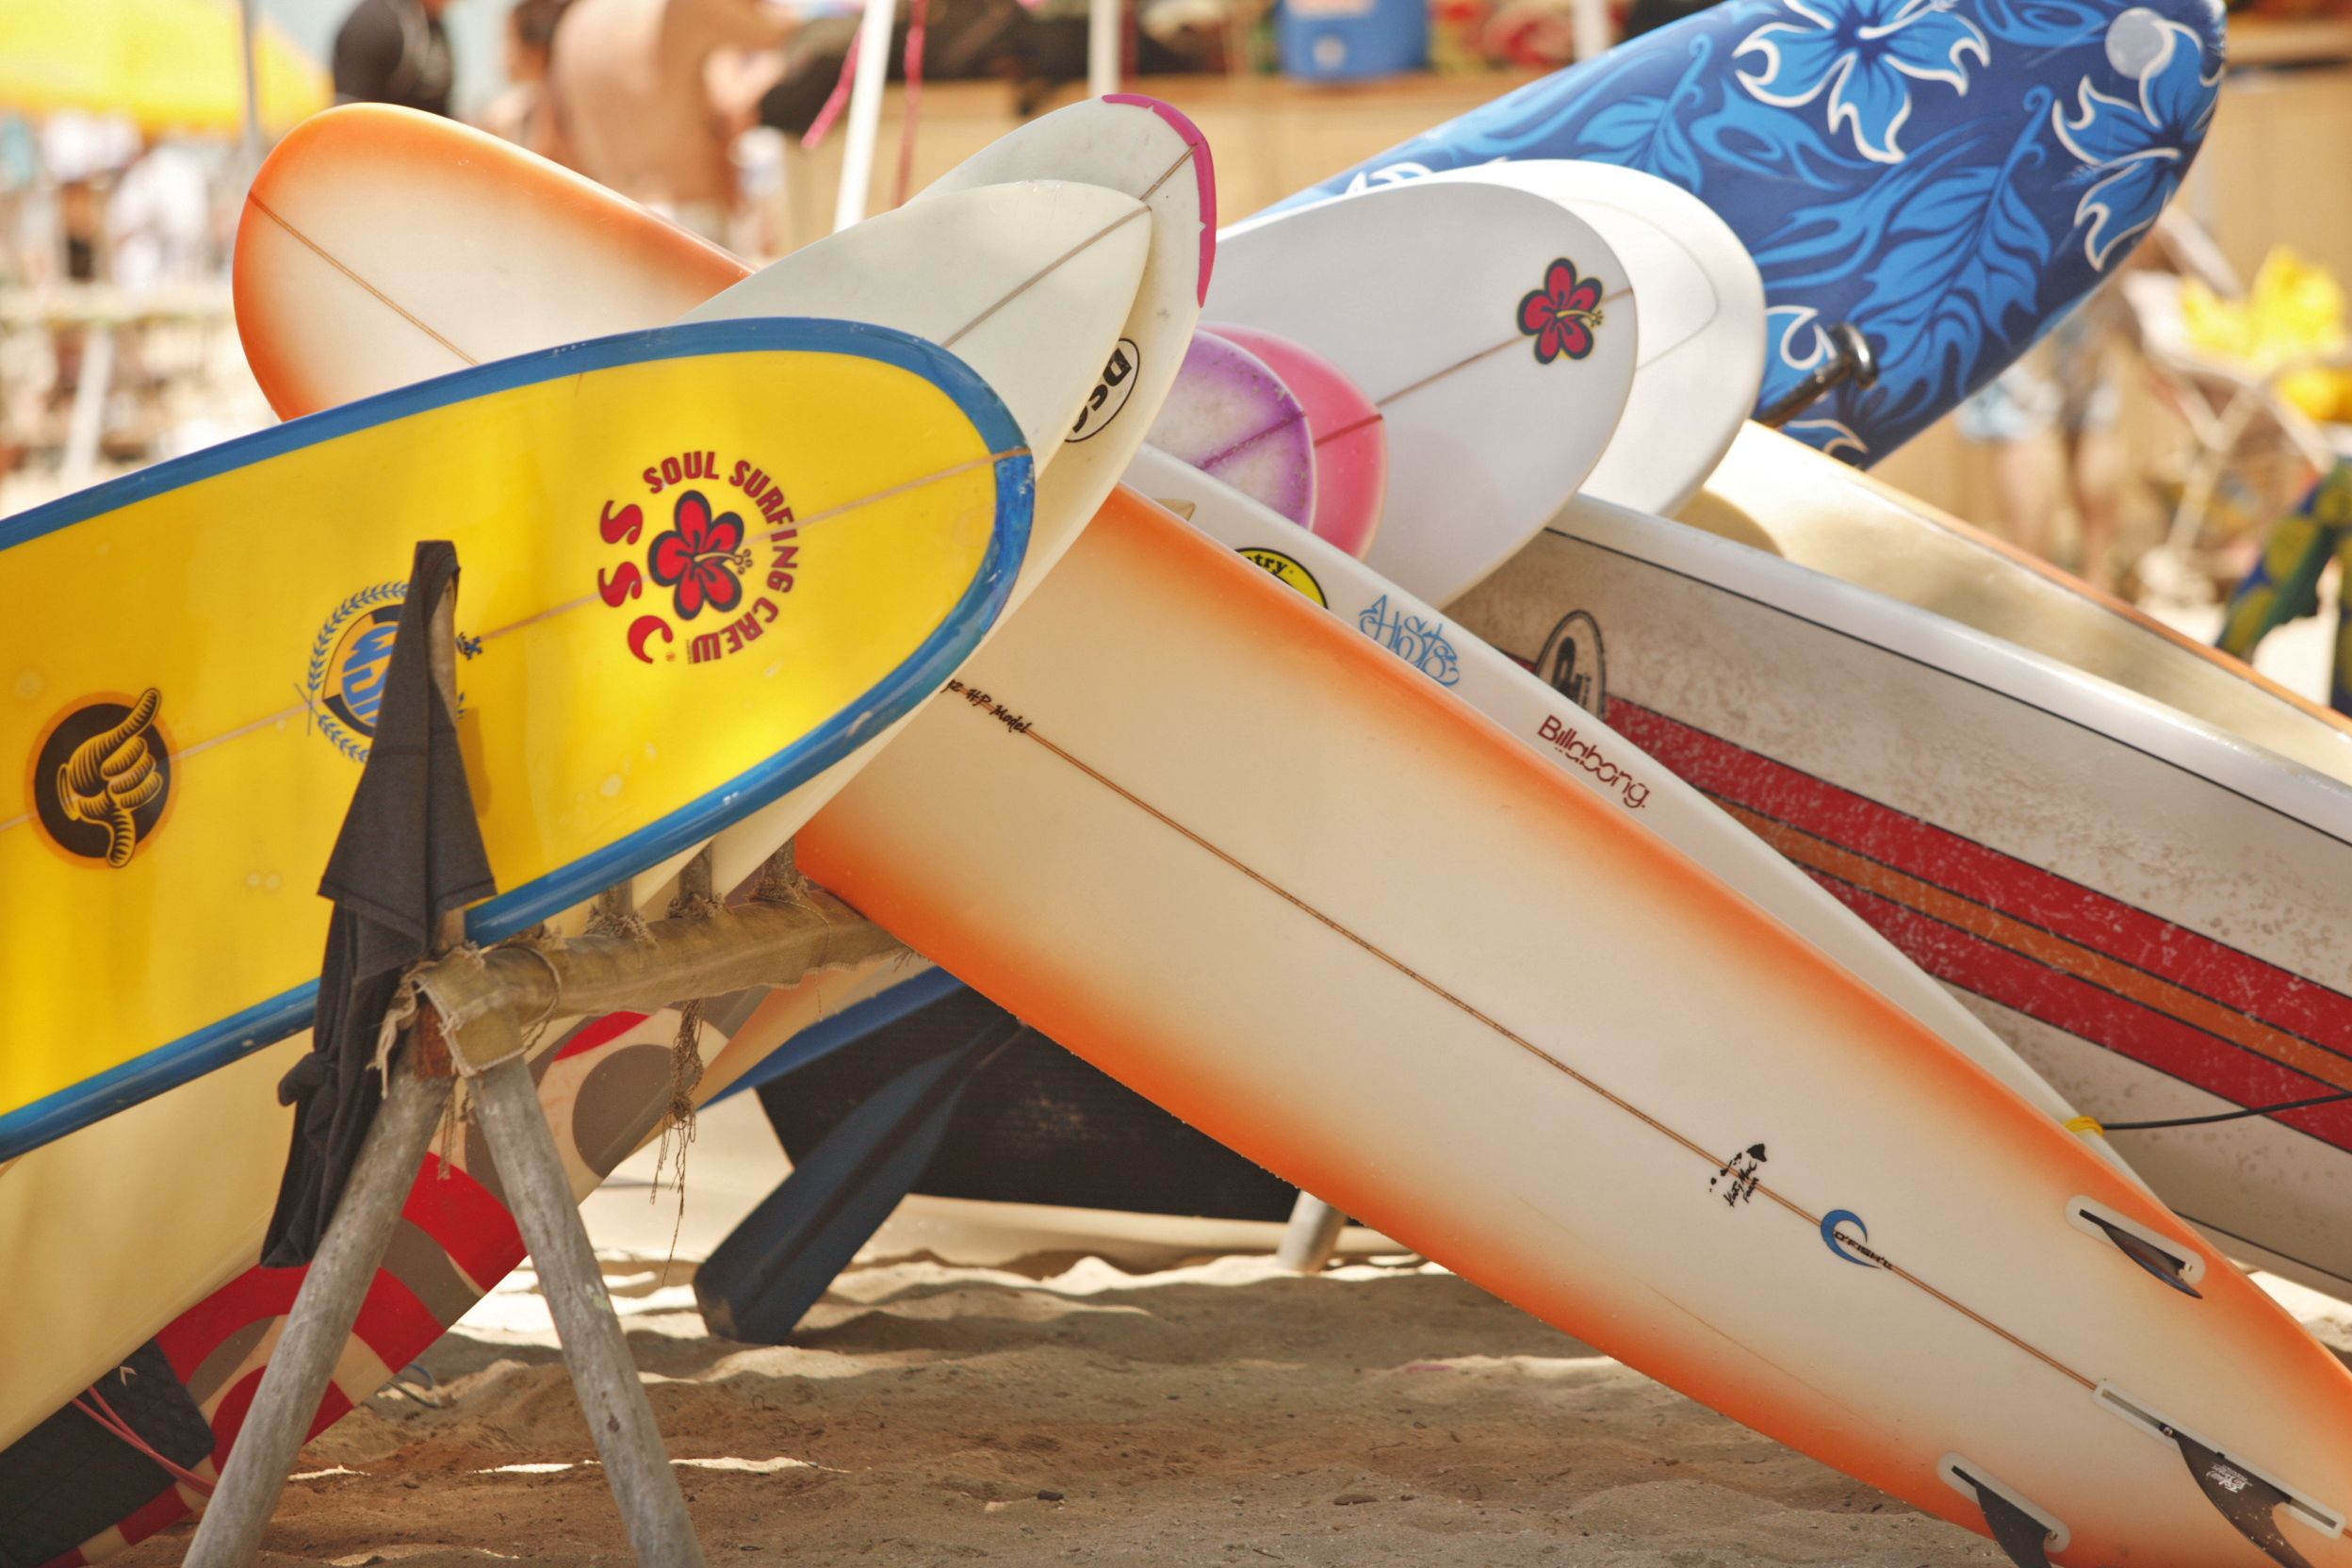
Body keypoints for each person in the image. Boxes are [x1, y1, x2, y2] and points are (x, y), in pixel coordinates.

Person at [548, 0, 794, 242]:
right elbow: (791, 36)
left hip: (610, 220)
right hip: (686, 218)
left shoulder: (573, 22)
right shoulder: (683, 8)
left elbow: (557, 138)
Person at [333, 0, 458, 118]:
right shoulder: (373, 23)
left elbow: (440, 107)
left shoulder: (433, 22)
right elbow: (349, 111)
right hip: (380, 134)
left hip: (425, 135)